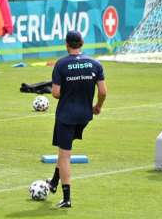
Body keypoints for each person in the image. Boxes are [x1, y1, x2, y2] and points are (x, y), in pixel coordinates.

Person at [47, 31, 107, 208]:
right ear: (82, 43)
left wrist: (69, 92)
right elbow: (103, 92)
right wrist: (98, 106)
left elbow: (56, 93)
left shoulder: (61, 64)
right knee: (64, 150)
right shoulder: (95, 64)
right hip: (84, 116)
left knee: (64, 155)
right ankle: (53, 182)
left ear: (67, 45)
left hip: (66, 116)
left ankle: (66, 198)